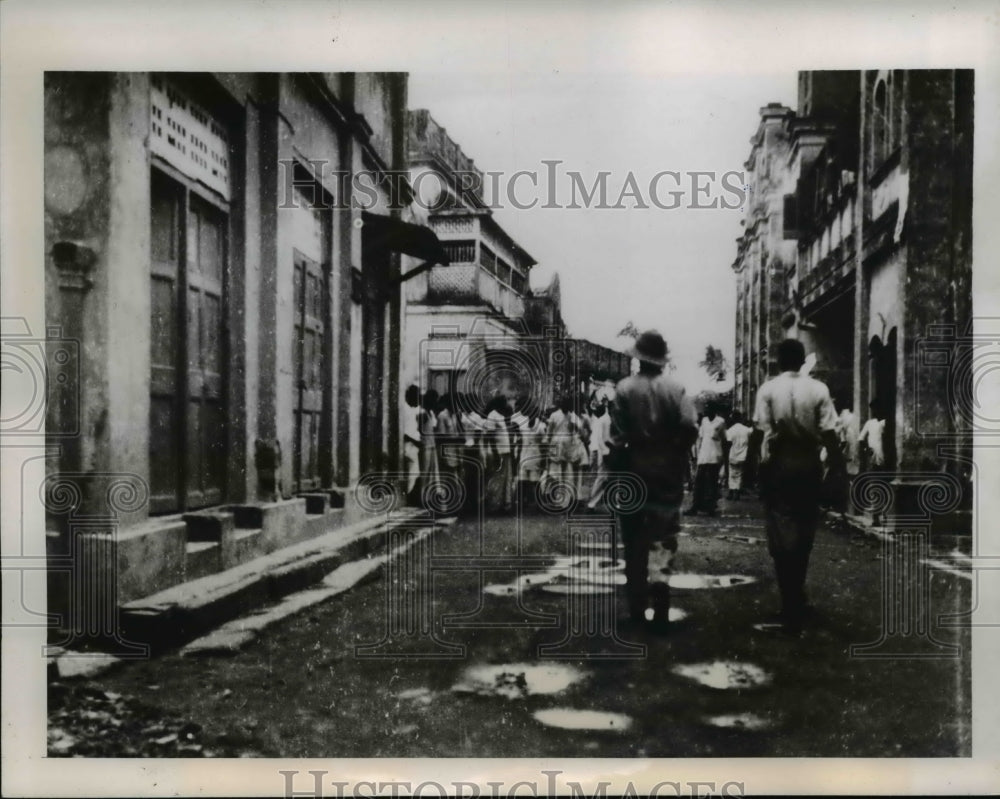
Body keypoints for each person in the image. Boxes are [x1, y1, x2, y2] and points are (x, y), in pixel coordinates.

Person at [610, 330, 698, 633]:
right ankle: (660, 584)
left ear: (638, 358)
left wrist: (616, 475)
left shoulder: (624, 389)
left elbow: (617, 438)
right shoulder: (676, 389)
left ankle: (637, 608)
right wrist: (675, 450)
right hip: (667, 470)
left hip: (634, 469)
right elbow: (689, 425)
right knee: (664, 532)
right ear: (662, 360)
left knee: (634, 539)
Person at [753, 338, 842, 635]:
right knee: (805, 529)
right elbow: (830, 433)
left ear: (779, 361)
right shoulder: (818, 389)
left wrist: (760, 471)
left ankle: (788, 598)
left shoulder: (767, 389)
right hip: (808, 463)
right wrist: (838, 470)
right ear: (803, 360)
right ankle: (797, 595)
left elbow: (760, 433)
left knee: (780, 534)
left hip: (779, 463)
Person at [546, 396, 588, 504]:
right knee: (554, 472)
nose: (568, 408)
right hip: (556, 446)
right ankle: (553, 496)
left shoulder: (573, 416)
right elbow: (549, 433)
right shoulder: (554, 415)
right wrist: (549, 448)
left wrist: (575, 428)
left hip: (570, 448)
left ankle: (570, 498)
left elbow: (581, 432)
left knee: (568, 473)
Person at [688, 401, 726, 515]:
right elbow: (700, 437)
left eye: (708, 409)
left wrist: (722, 456)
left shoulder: (721, 421)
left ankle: (711, 507)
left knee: (712, 482)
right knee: (698, 482)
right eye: (705, 409)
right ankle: (695, 506)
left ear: (714, 410)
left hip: (714, 455)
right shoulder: (704, 421)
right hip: (703, 455)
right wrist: (697, 454)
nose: (706, 411)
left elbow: (724, 438)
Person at [485, 396, 515, 514]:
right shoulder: (492, 415)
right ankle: (494, 505)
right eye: (504, 402)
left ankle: (506, 503)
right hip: (498, 452)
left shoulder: (503, 416)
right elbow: (490, 436)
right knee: (497, 478)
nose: (506, 404)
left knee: (507, 477)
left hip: (506, 451)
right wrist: (494, 452)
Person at [585, 398, 613, 511]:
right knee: (602, 477)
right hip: (605, 451)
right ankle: (591, 504)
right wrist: (606, 450)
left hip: (612, 451)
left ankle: (612, 503)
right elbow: (600, 438)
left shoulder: (612, 419)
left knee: (612, 478)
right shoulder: (604, 420)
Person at [417, 389, 440, 506]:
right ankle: (422, 498)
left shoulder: (430, 413)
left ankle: (429, 497)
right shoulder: (422, 413)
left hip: (432, 445)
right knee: (425, 472)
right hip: (426, 445)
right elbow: (420, 430)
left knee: (432, 472)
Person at [725, 410, 752, 501]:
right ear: (740, 418)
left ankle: (732, 491)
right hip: (743, 455)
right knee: (740, 473)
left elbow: (728, 443)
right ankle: (737, 492)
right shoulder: (746, 430)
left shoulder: (730, 430)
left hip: (733, 454)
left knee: (732, 473)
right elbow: (753, 432)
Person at [403, 385, 421, 505]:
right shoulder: (405, 410)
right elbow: (404, 433)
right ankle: (408, 496)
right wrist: (416, 441)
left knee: (415, 472)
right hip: (408, 445)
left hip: (413, 446)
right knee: (412, 472)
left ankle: (410, 495)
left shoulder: (411, 410)